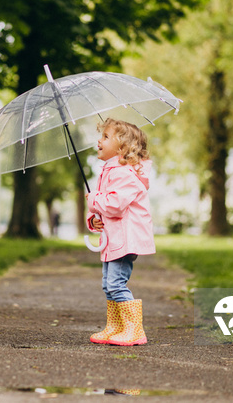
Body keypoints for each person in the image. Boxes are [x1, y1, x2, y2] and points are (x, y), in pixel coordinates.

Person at [86, 118, 155, 346]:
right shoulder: (110, 171)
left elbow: (115, 205)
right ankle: (116, 326)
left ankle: (135, 330)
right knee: (108, 284)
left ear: (123, 147)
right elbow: (105, 210)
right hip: (113, 239)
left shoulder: (124, 173)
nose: (99, 140)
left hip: (126, 239)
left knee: (116, 284)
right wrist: (94, 219)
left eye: (106, 137)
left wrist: (93, 199)